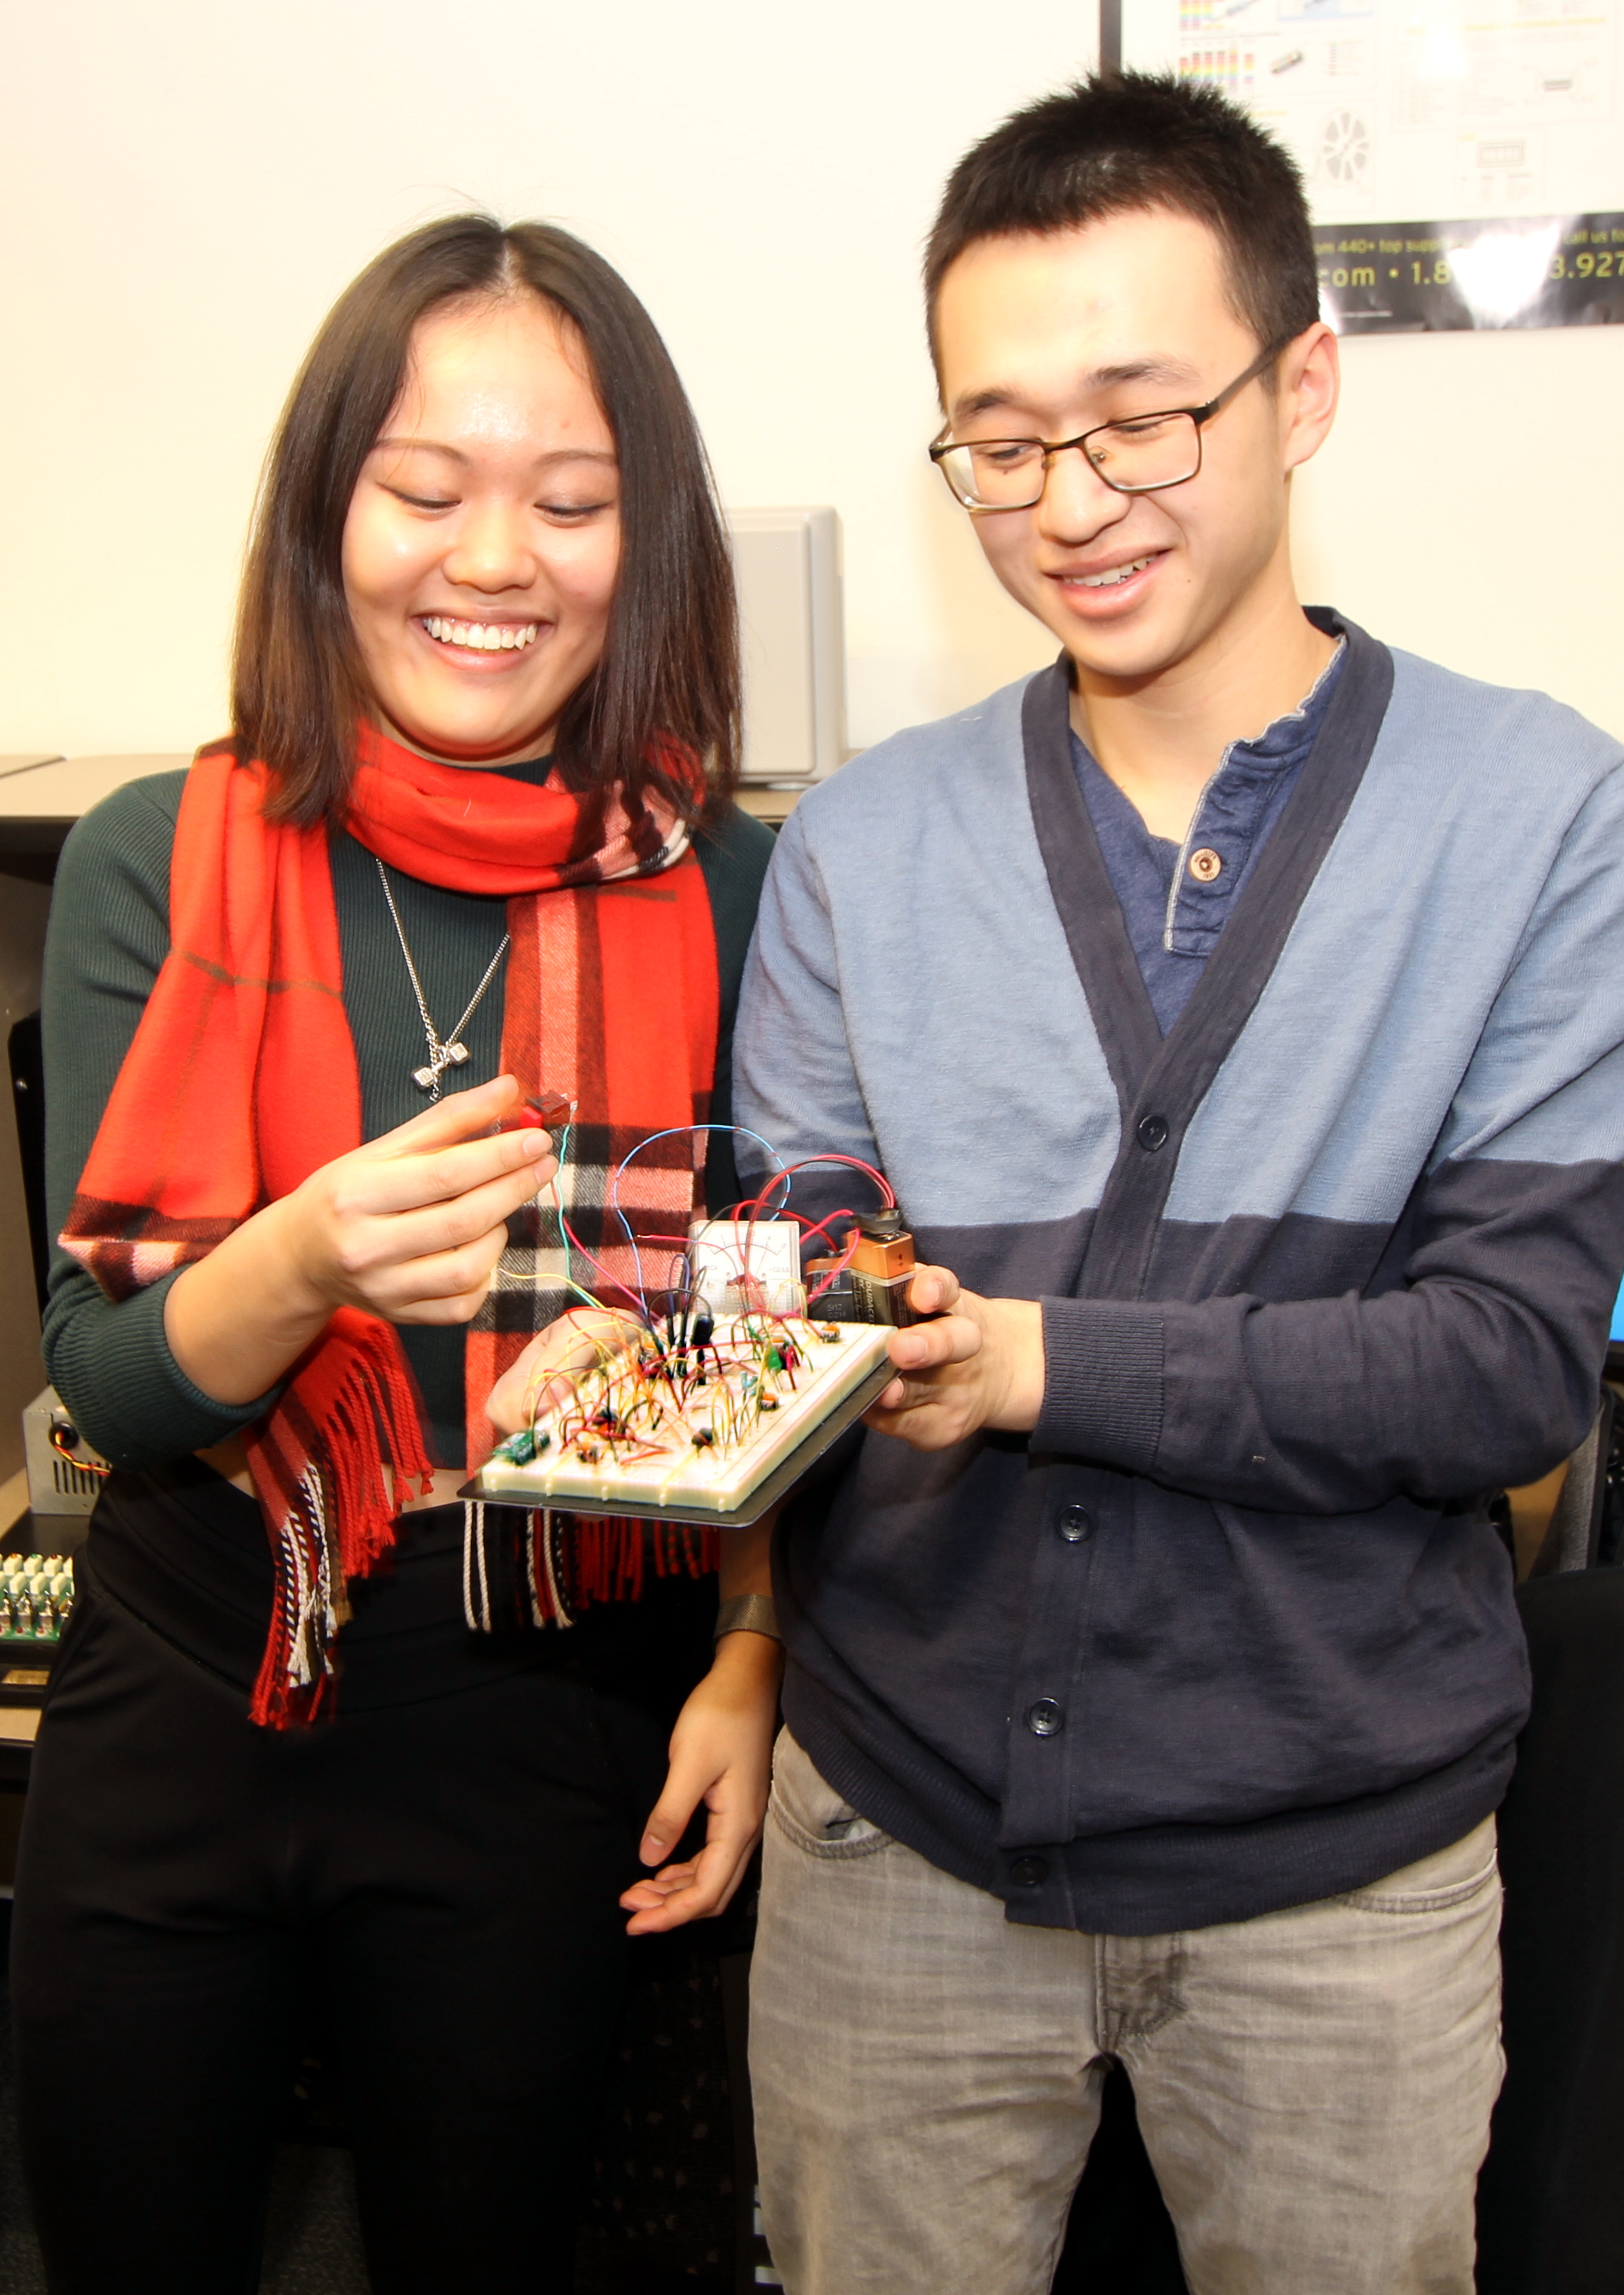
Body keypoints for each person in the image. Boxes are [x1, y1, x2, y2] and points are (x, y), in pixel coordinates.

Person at [733, 72, 1624, 2295]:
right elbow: (801, 1265)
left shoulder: (1539, 821)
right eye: (1001, 443)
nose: (1072, 503)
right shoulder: (858, 849)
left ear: (1301, 389)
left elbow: (1503, 1371)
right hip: (899, 1841)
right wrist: (662, 1341)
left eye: (1141, 421)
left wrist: (1038, 1362)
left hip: (1339, 1878)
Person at [13, 215, 780, 2294]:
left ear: (648, 541)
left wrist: (750, 1659)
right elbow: (108, 1385)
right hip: (188, 1652)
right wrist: (306, 1257)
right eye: (425, 490)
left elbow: (779, 1323)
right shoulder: (158, 856)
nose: (493, 559)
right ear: (324, 514)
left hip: (540, 1675)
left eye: (571, 503)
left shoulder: (724, 879)